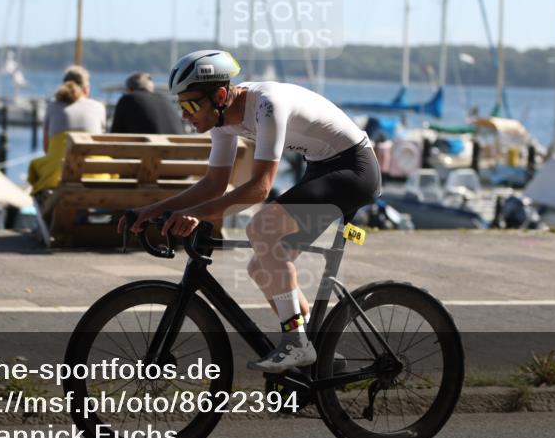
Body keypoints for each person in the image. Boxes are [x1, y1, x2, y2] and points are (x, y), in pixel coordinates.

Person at [119, 49, 381, 373]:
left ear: (218, 95)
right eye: (180, 105)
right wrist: (153, 209)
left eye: (190, 104)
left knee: (262, 229)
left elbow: (259, 188)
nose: (185, 114)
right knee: (262, 267)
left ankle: (296, 343)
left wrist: (197, 215)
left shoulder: (266, 105)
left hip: (354, 169)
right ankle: (318, 355)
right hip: (321, 168)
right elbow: (214, 184)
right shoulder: (220, 120)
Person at [43, 65, 105, 151]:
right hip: (92, 163)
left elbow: (46, 148)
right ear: (86, 89)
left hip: (58, 163)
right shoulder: (98, 107)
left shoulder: (52, 106)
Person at [110, 72, 185, 134]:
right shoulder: (166, 100)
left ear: (129, 89)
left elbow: (115, 134)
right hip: (177, 150)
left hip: (148, 150)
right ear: (151, 89)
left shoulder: (128, 99)